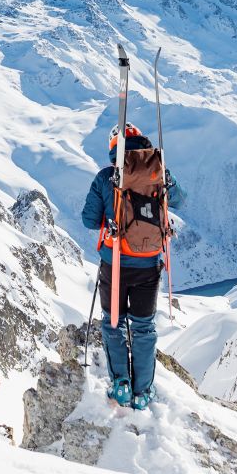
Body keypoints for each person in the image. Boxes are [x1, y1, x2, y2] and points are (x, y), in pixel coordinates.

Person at [80, 122, 185, 411]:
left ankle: (121, 385)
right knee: (143, 327)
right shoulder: (158, 172)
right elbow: (180, 199)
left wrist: (111, 213)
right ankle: (142, 392)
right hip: (149, 264)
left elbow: (89, 220)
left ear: (114, 150)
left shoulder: (107, 177)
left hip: (114, 264)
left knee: (113, 324)